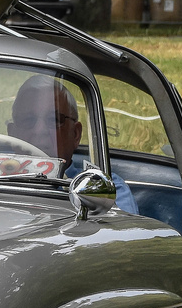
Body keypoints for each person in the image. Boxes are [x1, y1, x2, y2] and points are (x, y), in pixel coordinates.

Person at [7, 76, 139, 213]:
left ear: (75, 134)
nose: (40, 131)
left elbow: (118, 231)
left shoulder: (104, 191)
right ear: (12, 134)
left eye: (54, 119)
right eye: (28, 120)